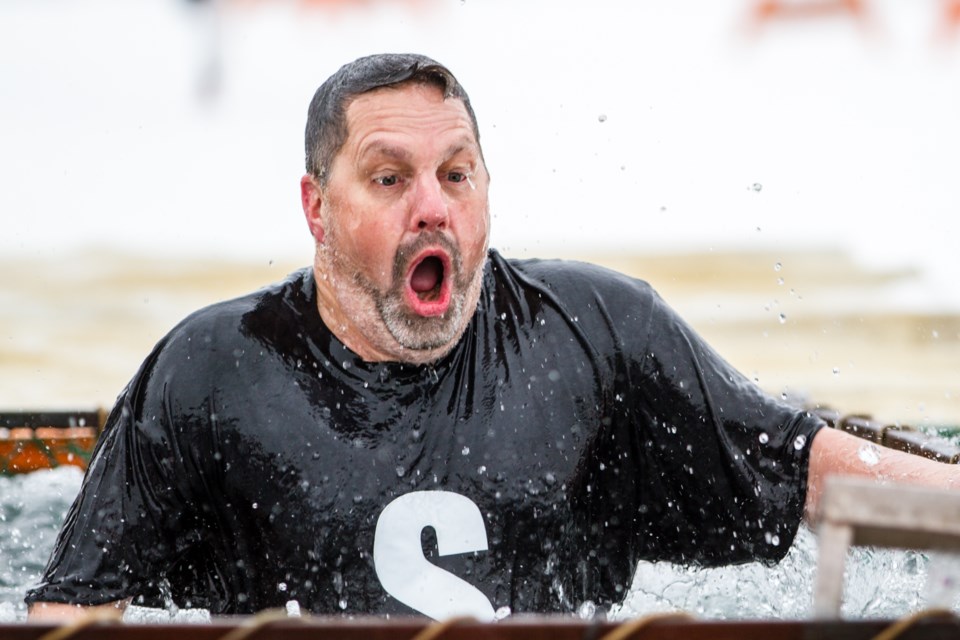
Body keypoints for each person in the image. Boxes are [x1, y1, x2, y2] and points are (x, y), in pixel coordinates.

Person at [26, 53, 960, 621]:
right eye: (390, 179)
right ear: (317, 208)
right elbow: (72, 607)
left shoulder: (595, 335)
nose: (434, 207)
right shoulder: (213, 371)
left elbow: (803, 466)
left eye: (457, 174)